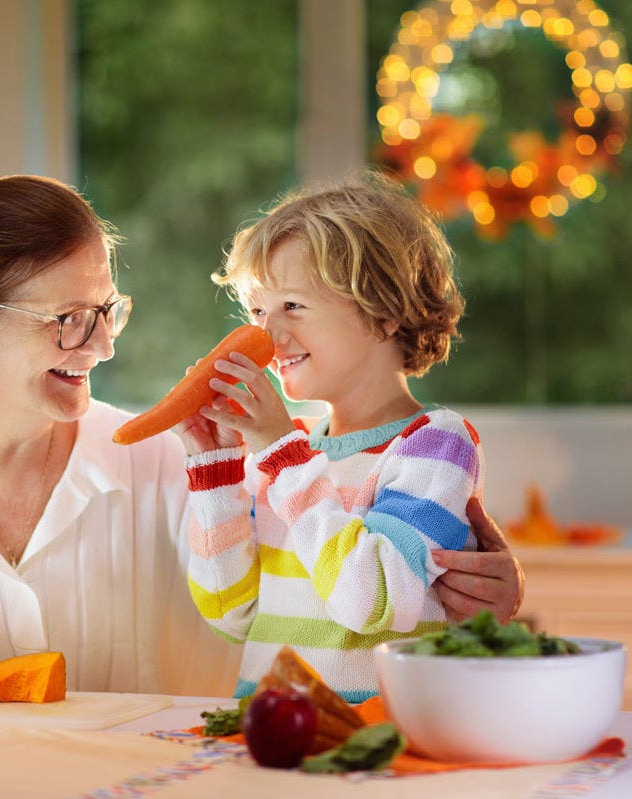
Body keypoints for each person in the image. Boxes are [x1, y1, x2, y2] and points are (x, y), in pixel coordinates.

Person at [0, 174, 523, 699]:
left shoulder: (179, 456)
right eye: (67, 320)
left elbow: (360, 584)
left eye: (106, 312)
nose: (102, 345)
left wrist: (487, 594)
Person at [176, 169, 497, 701]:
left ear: (385, 311)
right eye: (258, 310)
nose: (267, 335)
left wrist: (282, 455)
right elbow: (228, 612)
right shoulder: (287, 454)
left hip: (385, 753)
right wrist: (215, 475)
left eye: (293, 306)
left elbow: (372, 601)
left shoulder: (435, 445)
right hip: (278, 742)